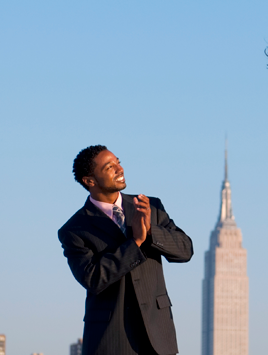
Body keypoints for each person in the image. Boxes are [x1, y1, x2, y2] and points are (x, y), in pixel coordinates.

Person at [58, 145, 193, 355]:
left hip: (158, 339)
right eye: (109, 167)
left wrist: (150, 231)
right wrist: (135, 242)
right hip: (110, 340)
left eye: (118, 162)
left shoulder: (150, 206)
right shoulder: (74, 229)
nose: (119, 169)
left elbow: (185, 250)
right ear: (90, 181)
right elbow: (93, 279)